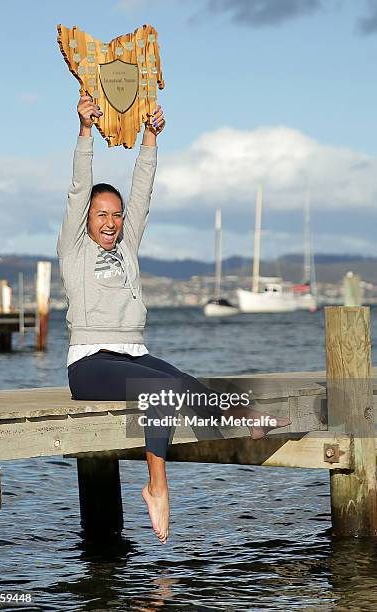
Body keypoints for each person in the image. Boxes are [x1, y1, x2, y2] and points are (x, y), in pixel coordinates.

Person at [58, 96, 291, 545]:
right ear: (86, 219)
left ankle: (245, 417)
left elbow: (142, 192)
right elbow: (76, 187)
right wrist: (85, 132)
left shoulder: (126, 245)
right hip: (90, 363)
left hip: (134, 353)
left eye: (116, 214)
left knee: (184, 380)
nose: (110, 221)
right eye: (101, 214)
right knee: (162, 389)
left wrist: (150, 137)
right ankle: (156, 485)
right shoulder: (74, 249)